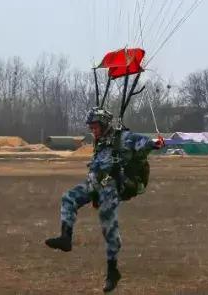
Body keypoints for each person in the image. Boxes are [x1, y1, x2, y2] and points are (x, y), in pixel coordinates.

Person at [44, 106, 164, 292]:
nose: (92, 130)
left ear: (104, 124)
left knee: (108, 226)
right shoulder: (100, 141)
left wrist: (155, 143)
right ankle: (65, 238)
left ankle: (112, 271)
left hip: (112, 187)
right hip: (94, 184)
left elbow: (143, 142)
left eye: (95, 127)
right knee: (69, 198)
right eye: (90, 127)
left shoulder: (123, 138)